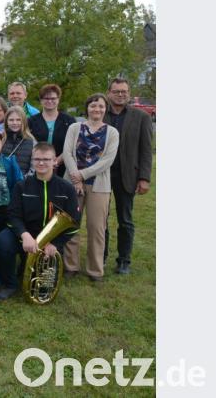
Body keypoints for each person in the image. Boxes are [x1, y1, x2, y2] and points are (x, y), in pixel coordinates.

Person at [0, 143, 80, 300]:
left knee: (43, 289)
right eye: (37, 159)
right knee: (2, 242)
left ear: (55, 161)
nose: (41, 163)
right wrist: (24, 235)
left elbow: (74, 223)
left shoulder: (67, 188)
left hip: (50, 242)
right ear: (32, 161)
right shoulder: (22, 186)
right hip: (25, 235)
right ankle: (9, 284)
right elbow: (13, 215)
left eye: (46, 159)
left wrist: (56, 244)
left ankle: (26, 267)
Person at [62, 93, 119, 281]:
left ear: (106, 109)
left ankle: (95, 270)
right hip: (72, 183)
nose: (97, 109)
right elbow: (67, 153)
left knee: (96, 228)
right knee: (71, 224)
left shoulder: (112, 133)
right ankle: (71, 266)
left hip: (99, 186)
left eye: (101, 106)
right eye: (93, 106)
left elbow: (107, 160)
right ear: (87, 108)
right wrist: (75, 178)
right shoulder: (74, 128)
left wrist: (83, 175)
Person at [103, 78, 153, 274]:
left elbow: (146, 150)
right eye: (116, 91)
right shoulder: (100, 113)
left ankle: (124, 260)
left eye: (124, 91)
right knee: (101, 219)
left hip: (128, 175)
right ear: (109, 93)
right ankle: (101, 256)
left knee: (125, 219)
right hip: (103, 175)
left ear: (129, 93)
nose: (120, 94)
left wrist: (144, 178)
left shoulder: (141, 117)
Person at [28, 84, 76, 177]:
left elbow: (72, 144)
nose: (50, 101)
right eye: (46, 98)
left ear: (58, 99)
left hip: (63, 167)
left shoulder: (69, 121)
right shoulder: (31, 121)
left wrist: (57, 161)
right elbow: (29, 145)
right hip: (38, 167)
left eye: (53, 98)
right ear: (41, 100)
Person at [3, 106, 36, 175]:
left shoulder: (32, 141)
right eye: (11, 120)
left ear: (23, 121)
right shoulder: (1, 139)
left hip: (24, 182)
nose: (15, 123)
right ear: (6, 122)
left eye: (18, 120)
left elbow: (34, 167)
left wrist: (24, 181)